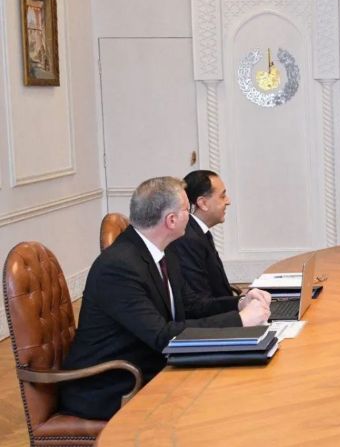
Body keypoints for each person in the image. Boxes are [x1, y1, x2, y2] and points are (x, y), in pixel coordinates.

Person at [60, 177, 272, 420]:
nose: (190, 217)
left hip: (151, 366)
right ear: (171, 220)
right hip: (113, 386)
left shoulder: (163, 250)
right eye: (187, 211)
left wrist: (239, 303)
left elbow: (191, 306)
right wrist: (240, 321)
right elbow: (162, 336)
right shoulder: (118, 267)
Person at [167, 170, 236, 299]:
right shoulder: (188, 239)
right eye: (222, 196)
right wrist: (238, 303)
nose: (228, 201)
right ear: (203, 203)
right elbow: (201, 298)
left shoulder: (198, 232)